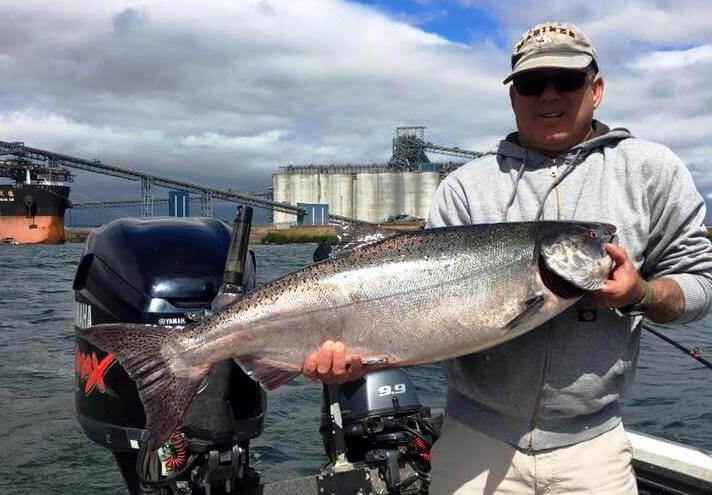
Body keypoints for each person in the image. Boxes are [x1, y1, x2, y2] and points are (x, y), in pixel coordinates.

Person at [302, 21, 712, 494]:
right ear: (513, 96)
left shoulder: (650, 171)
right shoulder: (465, 187)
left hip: (592, 445)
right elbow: (422, 314)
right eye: (532, 84)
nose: (548, 95)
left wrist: (640, 293)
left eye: (568, 80)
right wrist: (362, 361)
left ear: (596, 89)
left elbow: (701, 285)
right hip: (474, 438)